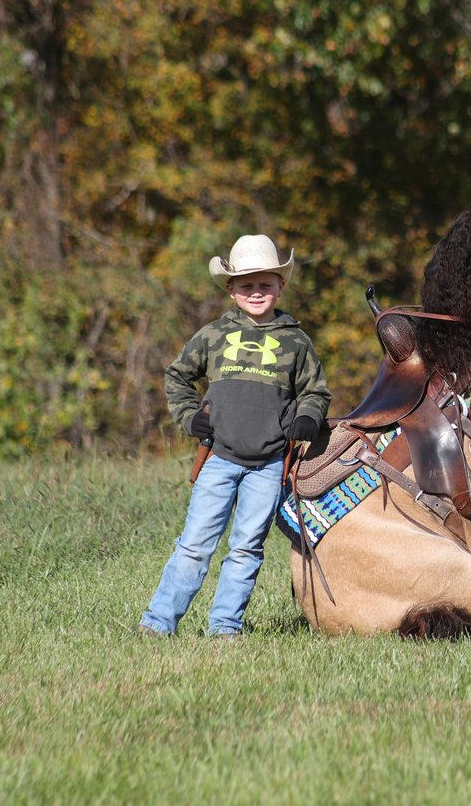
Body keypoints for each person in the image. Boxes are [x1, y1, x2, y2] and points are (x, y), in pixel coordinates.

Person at [138, 234, 331, 637]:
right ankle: (158, 623)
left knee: (246, 549)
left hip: (269, 465)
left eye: (265, 284)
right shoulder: (213, 336)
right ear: (230, 289)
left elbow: (315, 391)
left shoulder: (296, 341)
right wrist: (190, 418)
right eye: (246, 285)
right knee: (194, 545)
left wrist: (308, 418)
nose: (256, 292)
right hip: (219, 459)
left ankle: (225, 627)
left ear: (281, 286)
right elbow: (177, 377)